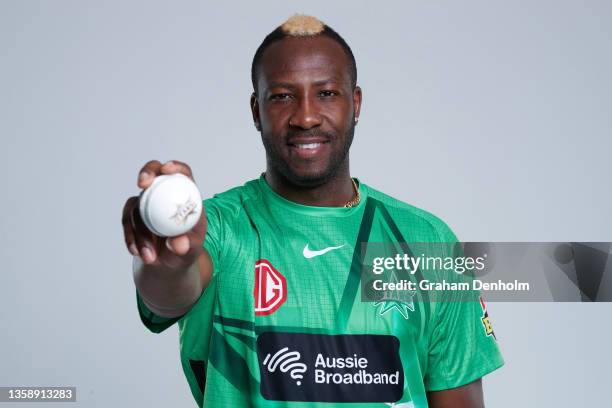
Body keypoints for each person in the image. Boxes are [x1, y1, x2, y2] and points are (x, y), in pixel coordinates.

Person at [121, 14, 503, 408]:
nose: (305, 117)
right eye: (283, 96)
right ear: (257, 110)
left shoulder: (428, 241)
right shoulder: (218, 227)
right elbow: (167, 294)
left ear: (355, 104)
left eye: (326, 94)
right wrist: (165, 257)